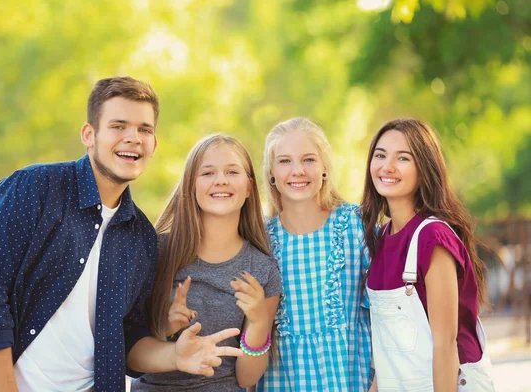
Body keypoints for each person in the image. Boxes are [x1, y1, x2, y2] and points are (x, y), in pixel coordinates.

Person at [0, 76, 243, 392]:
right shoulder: (32, 190)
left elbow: (128, 339)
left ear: (155, 144)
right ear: (89, 134)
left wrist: (173, 355)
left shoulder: (141, 236)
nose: (133, 138)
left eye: (144, 129)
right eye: (118, 126)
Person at [133, 134, 282, 391]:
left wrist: (258, 323)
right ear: (191, 186)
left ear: (249, 187)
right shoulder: (157, 253)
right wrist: (166, 329)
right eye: (208, 173)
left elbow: (247, 379)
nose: (221, 180)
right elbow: (130, 352)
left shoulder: (262, 269)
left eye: (232, 171)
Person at [361, 118, 496, 391]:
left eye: (403, 158)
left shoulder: (433, 238)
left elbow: (446, 344)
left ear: (424, 169)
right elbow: (388, 353)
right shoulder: (379, 239)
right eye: (380, 155)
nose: (387, 166)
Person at [256, 117, 372, 391]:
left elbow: (386, 315)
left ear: (324, 169)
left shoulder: (356, 226)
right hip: (283, 382)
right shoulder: (260, 241)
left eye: (308, 159)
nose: (297, 170)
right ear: (271, 173)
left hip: (353, 379)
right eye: (285, 161)